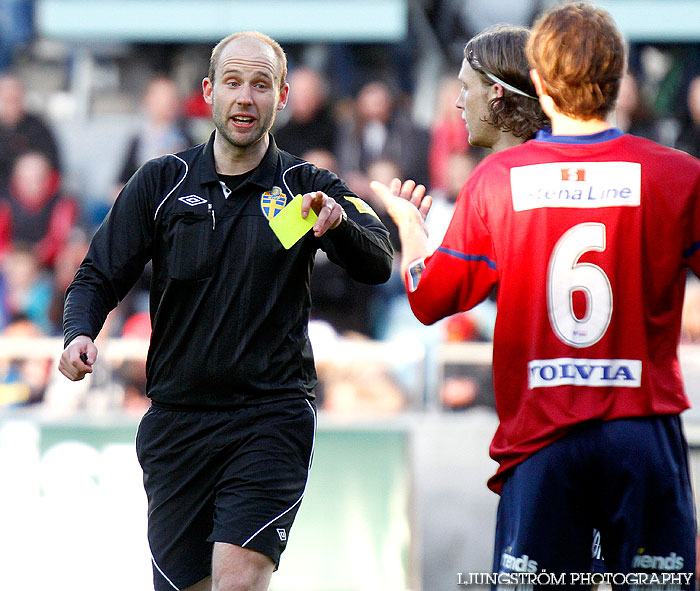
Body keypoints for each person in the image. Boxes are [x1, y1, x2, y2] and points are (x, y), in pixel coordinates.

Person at [374, 2, 698, 585]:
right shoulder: (678, 175)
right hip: (642, 434)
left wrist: (413, 230)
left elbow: (428, 300)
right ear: (618, 79)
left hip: (543, 440)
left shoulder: (498, 181)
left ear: (541, 84)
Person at [59, 31, 393, 591]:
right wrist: (77, 334)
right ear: (209, 92)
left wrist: (337, 227)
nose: (246, 97)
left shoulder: (306, 187)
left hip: (270, 417)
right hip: (177, 423)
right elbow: (97, 274)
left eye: (261, 85)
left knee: (237, 581)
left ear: (282, 97)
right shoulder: (161, 183)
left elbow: (379, 258)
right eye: (233, 83)